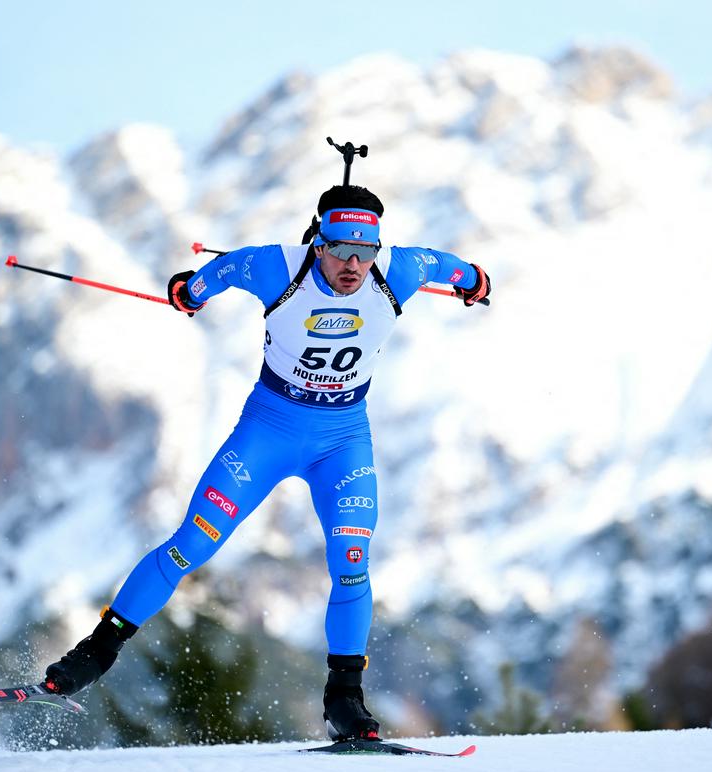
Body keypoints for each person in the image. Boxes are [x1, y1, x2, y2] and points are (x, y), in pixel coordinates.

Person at [42, 184, 491, 741]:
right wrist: (190, 290)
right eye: (341, 250)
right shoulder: (278, 266)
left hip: (342, 440)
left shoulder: (397, 271)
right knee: (192, 544)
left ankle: (345, 699)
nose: (354, 264)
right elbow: (224, 271)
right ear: (317, 240)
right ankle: (96, 652)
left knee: (351, 559)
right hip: (268, 432)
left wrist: (475, 283)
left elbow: (452, 268)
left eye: (366, 252)